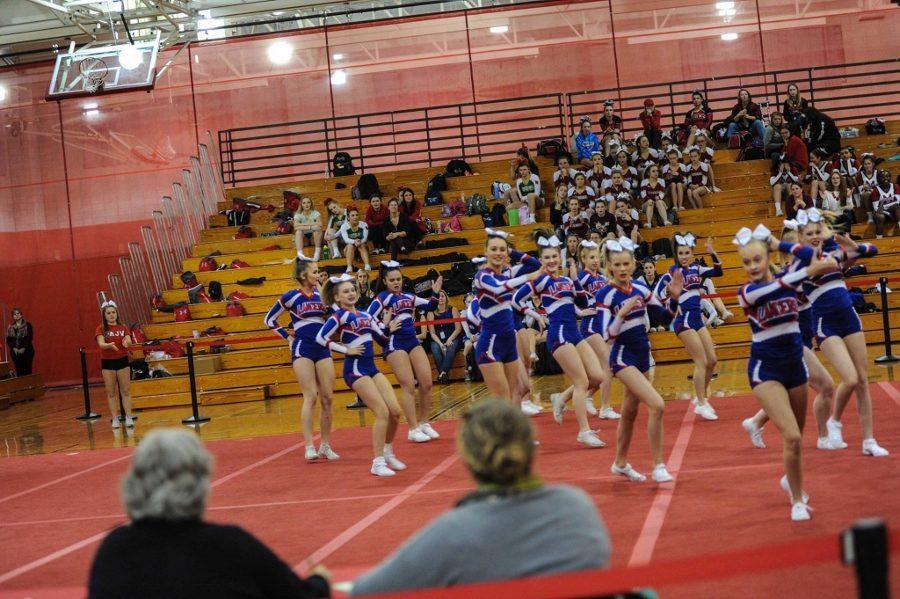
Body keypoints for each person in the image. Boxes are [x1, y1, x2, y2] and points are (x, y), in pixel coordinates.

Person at [350, 399, 610, 596]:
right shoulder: (578, 506)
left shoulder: (454, 531)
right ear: (529, 445)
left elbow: (368, 591)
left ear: (468, 457)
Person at [88, 429, 331, 599]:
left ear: (134, 483)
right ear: (199, 484)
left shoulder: (114, 548)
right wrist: (319, 581)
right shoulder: (230, 545)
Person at [731, 225, 839, 521]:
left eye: (757, 259)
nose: (752, 266)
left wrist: (779, 242)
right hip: (765, 369)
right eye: (746, 262)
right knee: (791, 437)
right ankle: (797, 500)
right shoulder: (748, 292)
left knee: (797, 441)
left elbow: (808, 253)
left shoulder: (786, 279)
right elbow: (782, 284)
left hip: (795, 366)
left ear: (768, 257)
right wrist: (806, 272)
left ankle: (790, 479)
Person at [792, 208, 887, 456]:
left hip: (849, 316)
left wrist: (853, 247)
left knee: (863, 380)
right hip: (825, 323)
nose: (814, 236)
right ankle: (834, 421)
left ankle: (868, 441)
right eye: (808, 233)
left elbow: (871, 251)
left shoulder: (831, 252)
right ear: (800, 237)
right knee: (851, 378)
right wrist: (849, 252)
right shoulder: (801, 261)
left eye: (817, 232)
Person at [741, 223, 840, 452]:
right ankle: (824, 437)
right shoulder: (788, 275)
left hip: (803, 335)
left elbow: (821, 254)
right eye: (799, 241)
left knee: (801, 388)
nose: (808, 243)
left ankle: (755, 422)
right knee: (825, 385)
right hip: (793, 344)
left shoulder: (802, 265)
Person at [514, 231, 605, 448]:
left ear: (560, 257)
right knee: (582, 382)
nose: (552, 261)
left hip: (575, 331)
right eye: (547, 258)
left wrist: (574, 279)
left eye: (555, 256)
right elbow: (517, 299)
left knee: (598, 376)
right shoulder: (540, 280)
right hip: (559, 334)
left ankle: (561, 398)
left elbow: (582, 303)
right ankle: (584, 431)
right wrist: (536, 314)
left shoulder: (566, 279)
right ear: (542, 260)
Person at [596, 237, 675, 482]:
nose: (622, 269)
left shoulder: (641, 289)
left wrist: (675, 299)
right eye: (617, 265)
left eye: (626, 264)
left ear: (632, 265)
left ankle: (620, 463)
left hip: (642, 356)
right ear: (609, 266)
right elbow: (606, 334)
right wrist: (620, 314)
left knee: (629, 414)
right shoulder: (605, 294)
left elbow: (664, 319)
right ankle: (659, 465)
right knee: (657, 405)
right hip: (622, 357)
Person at [318, 274, 406, 476]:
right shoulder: (338, 316)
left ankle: (387, 451)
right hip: (355, 369)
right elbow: (320, 337)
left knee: (395, 411)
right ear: (337, 297)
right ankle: (377, 462)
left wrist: (388, 327)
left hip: (371, 368)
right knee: (382, 412)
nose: (350, 294)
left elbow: (382, 340)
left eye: (352, 290)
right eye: (346, 291)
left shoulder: (366, 316)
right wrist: (344, 350)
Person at [264, 257, 337, 461]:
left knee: (328, 398)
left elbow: (337, 315)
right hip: (302, 347)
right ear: (304, 275)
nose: (318, 275)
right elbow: (269, 319)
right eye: (314, 272)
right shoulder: (291, 297)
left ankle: (325, 444)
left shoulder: (322, 296)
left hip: (322, 347)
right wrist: (287, 337)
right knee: (310, 396)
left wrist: (328, 296)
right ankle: (309, 445)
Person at [368, 261, 442, 443]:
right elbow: (367, 318)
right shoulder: (383, 298)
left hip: (411, 340)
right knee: (408, 385)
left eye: (398, 279)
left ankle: (424, 422)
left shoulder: (408, 297)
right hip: (394, 343)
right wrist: (385, 326)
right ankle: (413, 428)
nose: (396, 282)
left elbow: (431, 306)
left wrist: (435, 291)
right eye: (392, 280)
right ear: (385, 281)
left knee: (426, 382)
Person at [550, 240, 620, 419]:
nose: (595, 261)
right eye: (591, 258)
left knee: (595, 373)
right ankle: (605, 407)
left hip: (601, 324)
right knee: (608, 364)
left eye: (597, 257)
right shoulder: (582, 277)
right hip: (589, 326)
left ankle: (566, 397)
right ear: (583, 259)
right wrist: (580, 312)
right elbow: (568, 299)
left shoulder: (601, 278)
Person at [656, 233, 721, 420]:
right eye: (680, 253)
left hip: (697, 320)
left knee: (712, 361)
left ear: (691, 253)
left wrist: (713, 253)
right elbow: (656, 295)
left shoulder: (695, 269)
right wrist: (670, 303)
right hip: (683, 321)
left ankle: (701, 397)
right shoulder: (671, 272)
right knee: (701, 362)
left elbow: (718, 272)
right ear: (676, 254)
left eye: (687, 252)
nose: (684, 256)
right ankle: (701, 402)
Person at [472, 229, 542, 401]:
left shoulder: (507, 274)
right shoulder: (482, 276)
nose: (498, 253)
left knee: (516, 395)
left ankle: (514, 429)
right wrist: (527, 277)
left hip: (509, 342)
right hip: (490, 345)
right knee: (502, 400)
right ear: (485, 251)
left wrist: (511, 251)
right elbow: (498, 287)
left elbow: (535, 265)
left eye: (502, 249)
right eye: (493, 249)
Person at [96, 301, 134, 430]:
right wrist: (109, 345)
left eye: (113, 312)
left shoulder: (123, 327)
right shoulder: (101, 328)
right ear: (104, 315)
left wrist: (126, 343)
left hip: (122, 360)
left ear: (117, 313)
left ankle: (129, 417)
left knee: (126, 390)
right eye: (109, 313)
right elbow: (100, 343)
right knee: (111, 391)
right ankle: (115, 418)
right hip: (108, 362)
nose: (112, 315)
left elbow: (129, 340)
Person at [427, 290, 463, 384]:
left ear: (446, 297)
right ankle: (444, 375)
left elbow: (458, 329)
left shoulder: (453, 309)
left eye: (442, 296)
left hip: (453, 337)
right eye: (438, 297)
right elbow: (432, 333)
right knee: (435, 348)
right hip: (437, 339)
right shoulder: (430, 313)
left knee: (451, 347)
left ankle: (442, 373)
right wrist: (440, 344)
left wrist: (449, 339)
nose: (440, 298)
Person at [338, 206, 371, 272]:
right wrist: (354, 241)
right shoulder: (344, 226)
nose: (355, 217)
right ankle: (349, 267)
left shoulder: (364, 224)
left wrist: (359, 242)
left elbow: (364, 238)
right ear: (348, 218)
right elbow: (346, 240)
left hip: (362, 247)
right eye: (352, 215)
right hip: (349, 250)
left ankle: (367, 266)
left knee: (361, 244)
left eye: (356, 215)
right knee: (350, 245)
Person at [639, 164, 670, 228]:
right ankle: (649, 223)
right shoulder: (644, 182)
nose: (656, 173)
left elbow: (662, 193)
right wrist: (648, 199)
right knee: (650, 202)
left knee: (659, 201)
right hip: (647, 204)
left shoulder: (661, 181)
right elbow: (643, 194)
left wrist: (658, 198)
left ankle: (666, 221)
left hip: (659, 203)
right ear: (648, 173)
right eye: (653, 171)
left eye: (657, 171)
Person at [871, 169, 899, 239]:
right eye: (882, 177)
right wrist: (888, 211)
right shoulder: (875, 190)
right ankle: (879, 239)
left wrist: (884, 204)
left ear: (890, 177)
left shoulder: (895, 186)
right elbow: (876, 208)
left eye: (887, 176)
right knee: (880, 217)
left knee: (896, 207)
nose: (885, 178)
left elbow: (898, 201)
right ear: (879, 179)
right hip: (882, 213)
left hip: (895, 212)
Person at [771, 153, 801, 218]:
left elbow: (796, 181)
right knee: (777, 186)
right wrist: (780, 173)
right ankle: (778, 210)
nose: (784, 166)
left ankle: (793, 208)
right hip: (779, 192)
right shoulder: (775, 170)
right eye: (782, 164)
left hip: (789, 191)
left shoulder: (793, 169)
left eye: (785, 164)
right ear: (778, 164)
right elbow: (772, 183)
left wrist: (789, 172)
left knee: (790, 185)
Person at [293, 196, 323, 260]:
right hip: (304, 238)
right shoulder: (298, 214)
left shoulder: (316, 213)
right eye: (304, 203)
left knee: (317, 231)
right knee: (298, 232)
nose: (306, 204)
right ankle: (300, 255)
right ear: (301, 205)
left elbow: (319, 225)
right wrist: (311, 226)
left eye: (308, 202)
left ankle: (317, 254)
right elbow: (295, 226)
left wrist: (301, 225)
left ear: (311, 204)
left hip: (313, 237)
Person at [6, 308, 34, 376]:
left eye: (18, 313)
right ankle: (23, 386)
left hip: (27, 350)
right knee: (19, 370)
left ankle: (29, 385)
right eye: (14, 314)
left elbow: (29, 337)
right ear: (13, 317)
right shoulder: (11, 327)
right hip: (15, 352)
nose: (17, 315)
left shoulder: (28, 325)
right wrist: (14, 348)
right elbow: (9, 340)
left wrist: (23, 348)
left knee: (27, 369)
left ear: (21, 315)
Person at [856, 153, 879, 223]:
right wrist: (870, 190)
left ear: (873, 164)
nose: (867, 166)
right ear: (863, 165)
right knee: (866, 194)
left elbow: (882, 189)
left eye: (869, 163)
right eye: (865, 164)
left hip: (878, 196)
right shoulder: (860, 176)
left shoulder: (878, 173)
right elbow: (861, 192)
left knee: (869, 192)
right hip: (865, 198)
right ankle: (870, 216)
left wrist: (870, 189)